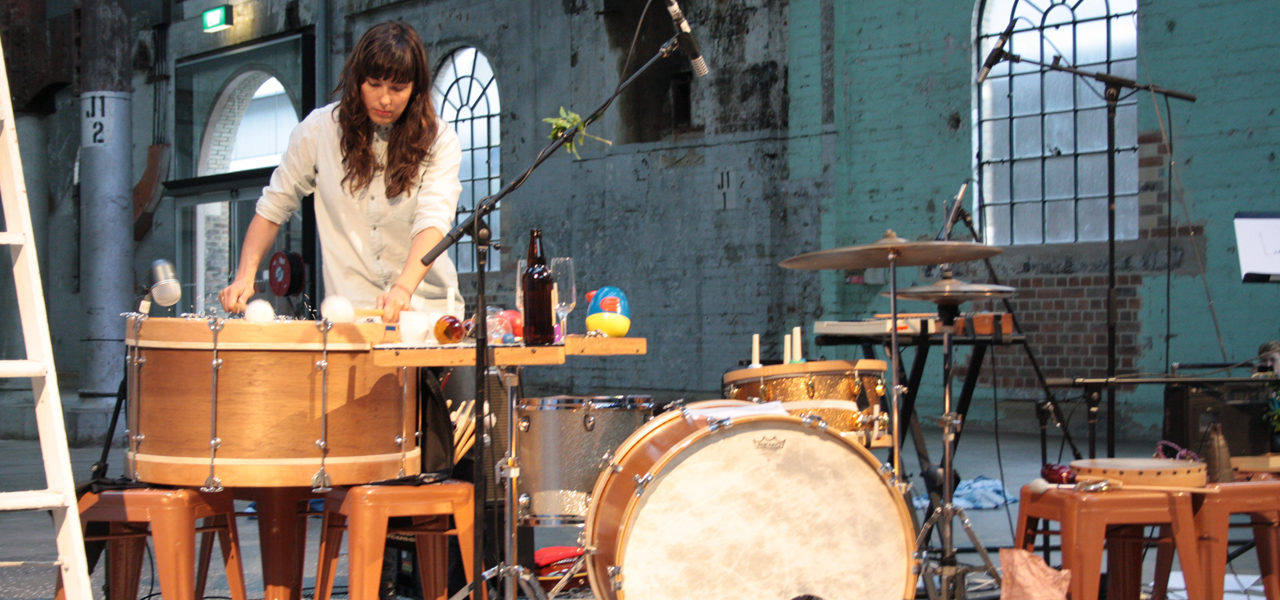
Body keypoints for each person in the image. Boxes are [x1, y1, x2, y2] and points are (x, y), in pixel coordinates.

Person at [219, 21, 462, 323]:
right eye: (374, 84)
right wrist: (245, 276)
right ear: (357, 79)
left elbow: (433, 221)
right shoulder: (318, 132)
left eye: (398, 88)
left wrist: (403, 288)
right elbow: (272, 209)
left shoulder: (439, 140)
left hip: (429, 314)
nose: (385, 99)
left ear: (415, 90)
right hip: (352, 317)